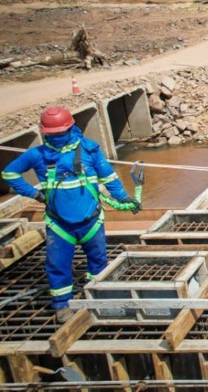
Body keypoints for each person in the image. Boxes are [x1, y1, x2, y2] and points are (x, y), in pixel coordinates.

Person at [2, 106, 140, 322]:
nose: (57, 136)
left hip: (91, 221)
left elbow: (109, 177)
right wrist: (34, 194)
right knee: (57, 265)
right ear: (45, 133)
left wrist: (124, 198)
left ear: (70, 128)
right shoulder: (38, 155)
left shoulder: (89, 150)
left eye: (60, 132)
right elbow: (9, 173)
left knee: (98, 261)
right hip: (59, 225)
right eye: (52, 133)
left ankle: (98, 296)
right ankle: (62, 304)